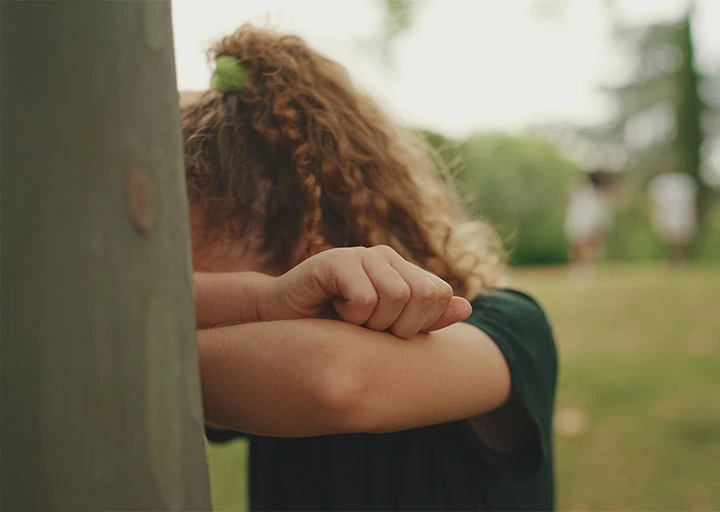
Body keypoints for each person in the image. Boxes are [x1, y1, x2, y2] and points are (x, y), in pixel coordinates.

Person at [182, 25, 557, 511]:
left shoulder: (508, 327)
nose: (193, 307)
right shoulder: (246, 364)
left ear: (306, 242)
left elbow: (337, 381)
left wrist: (131, 354)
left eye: (208, 279)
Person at [564, 170, 619, 276]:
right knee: (580, 247)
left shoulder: (593, 194)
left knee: (587, 247)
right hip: (581, 221)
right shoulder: (583, 192)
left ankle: (587, 269)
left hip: (586, 222)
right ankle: (580, 269)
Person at [648, 171, 697, 262]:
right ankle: (672, 259)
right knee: (670, 237)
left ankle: (680, 258)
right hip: (669, 213)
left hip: (680, 213)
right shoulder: (662, 183)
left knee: (681, 237)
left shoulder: (684, 182)